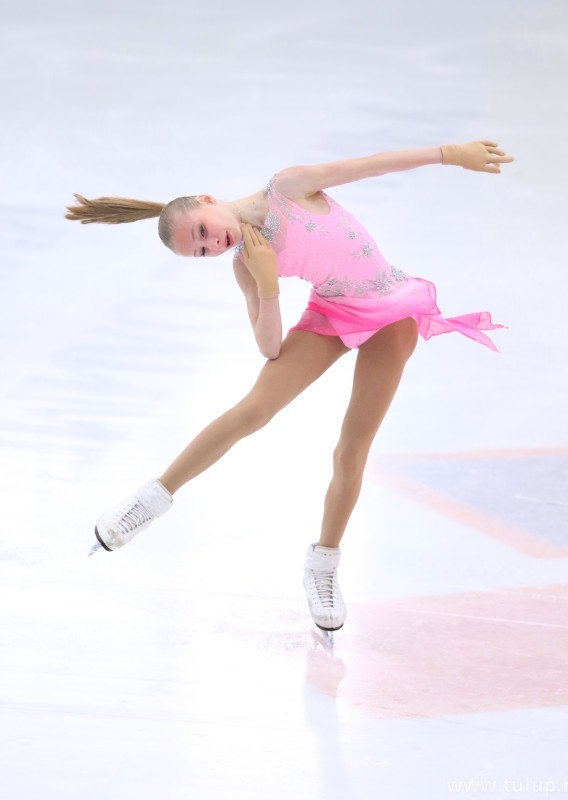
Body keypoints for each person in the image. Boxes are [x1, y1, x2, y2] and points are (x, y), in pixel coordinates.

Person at [66, 140, 514, 632]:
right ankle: (150, 501)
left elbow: (370, 165)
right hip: (331, 312)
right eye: (201, 251)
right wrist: (267, 283)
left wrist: (449, 153)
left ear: (207, 200)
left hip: (391, 311)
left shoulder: (288, 187)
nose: (212, 245)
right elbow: (270, 346)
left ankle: (323, 565)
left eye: (202, 232)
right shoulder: (244, 264)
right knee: (254, 410)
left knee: (352, 449)